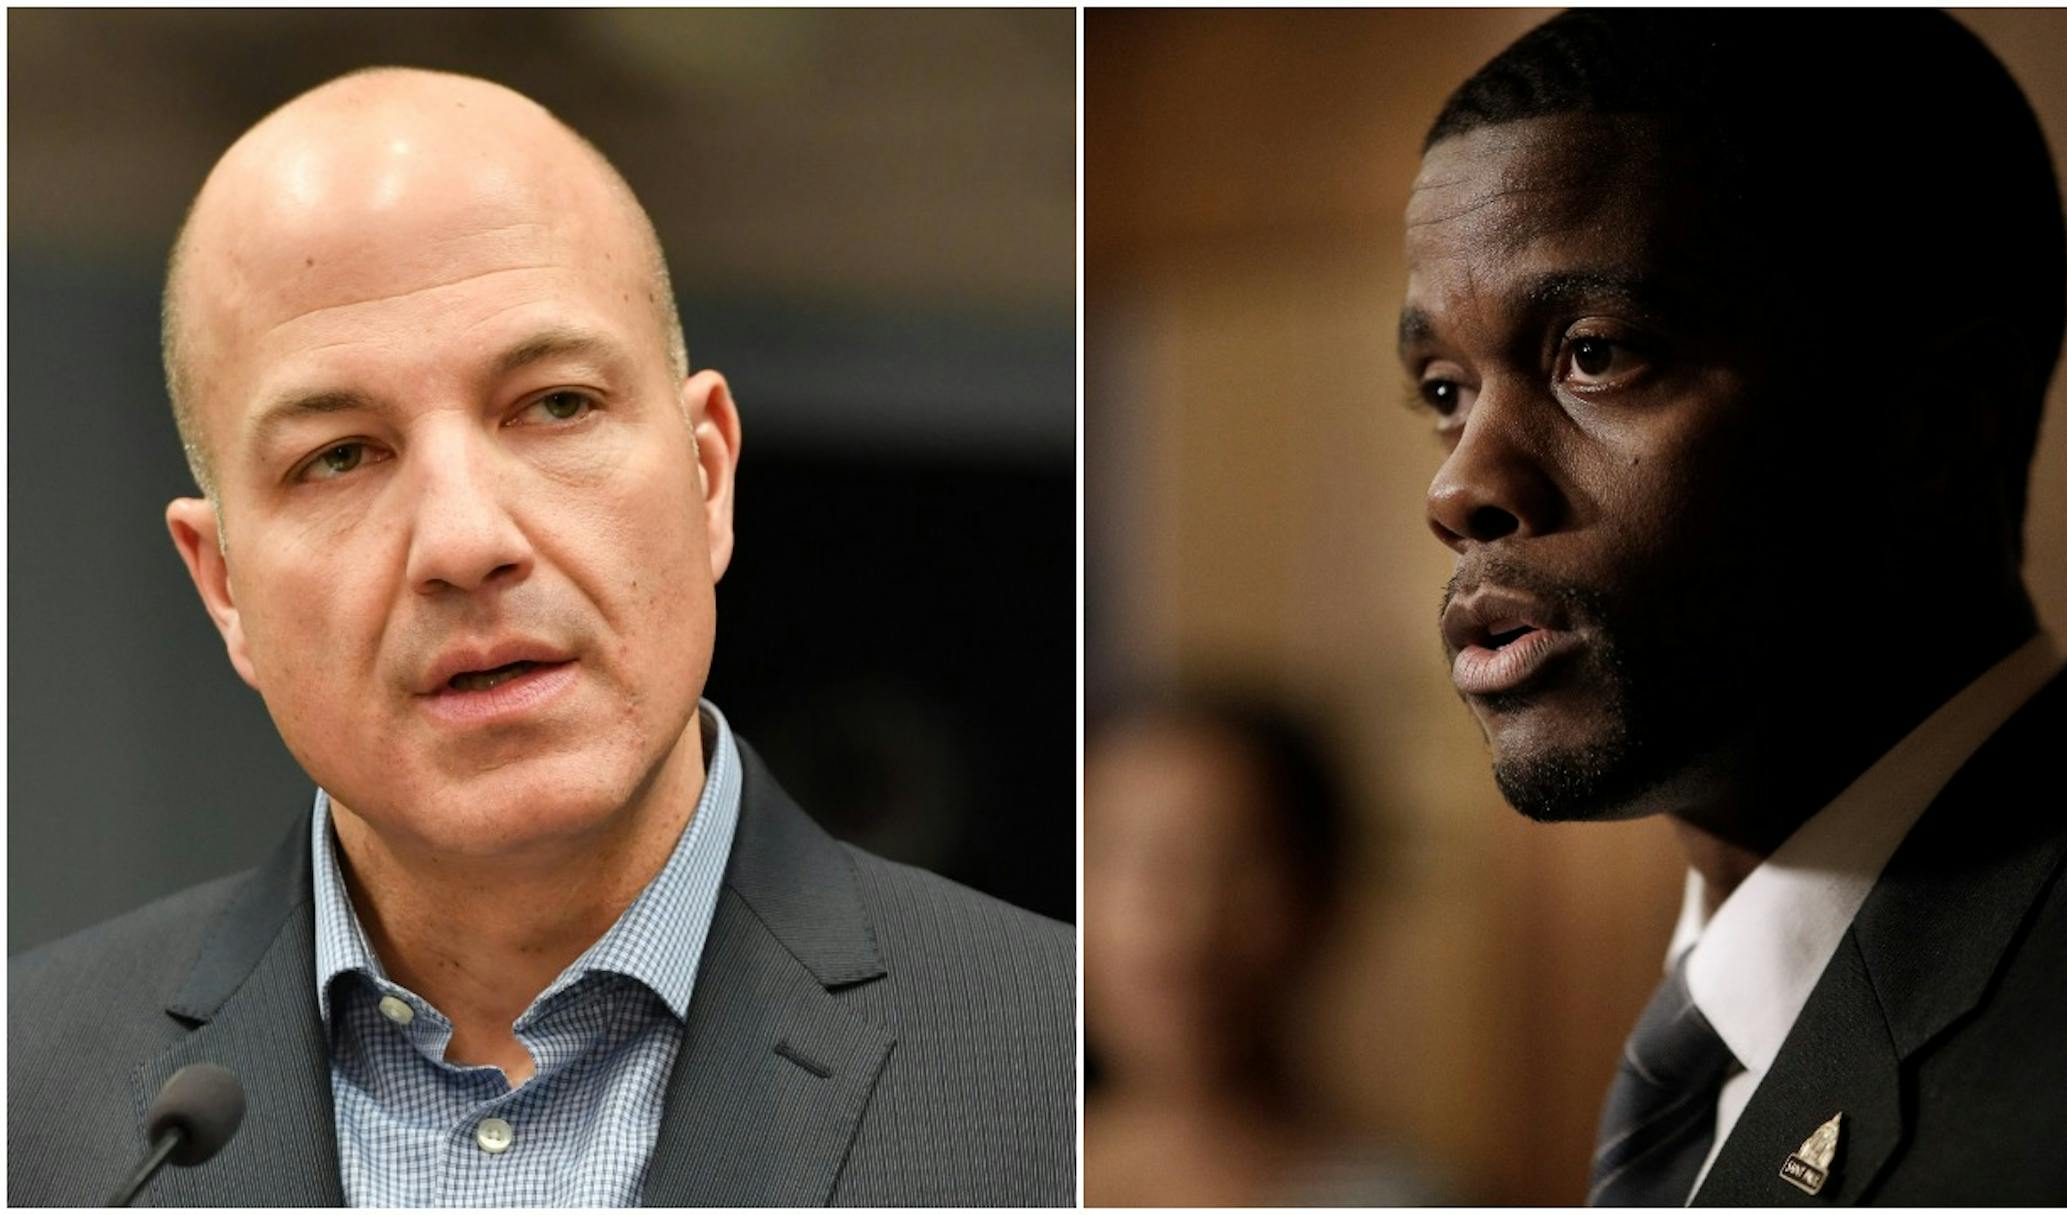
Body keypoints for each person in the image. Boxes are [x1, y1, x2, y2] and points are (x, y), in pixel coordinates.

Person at [8, 67, 1073, 1207]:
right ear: (224, 587)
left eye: (556, 404)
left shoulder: (1048, 1063)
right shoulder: (33, 1102)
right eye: (340, 456)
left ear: (708, 477)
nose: (465, 543)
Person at [1400, 10, 2067, 1206]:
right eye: (1445, 388)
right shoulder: (1734, 1024)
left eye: (1594, 354)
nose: (1462, 486)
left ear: (1940, 423)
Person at [1084, 691, 1443, 1206]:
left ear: (1321, 899)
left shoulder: (1405, 1198)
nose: (1181, 919)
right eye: (1132, 857)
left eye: (1235, 865)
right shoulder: (981, 1169)